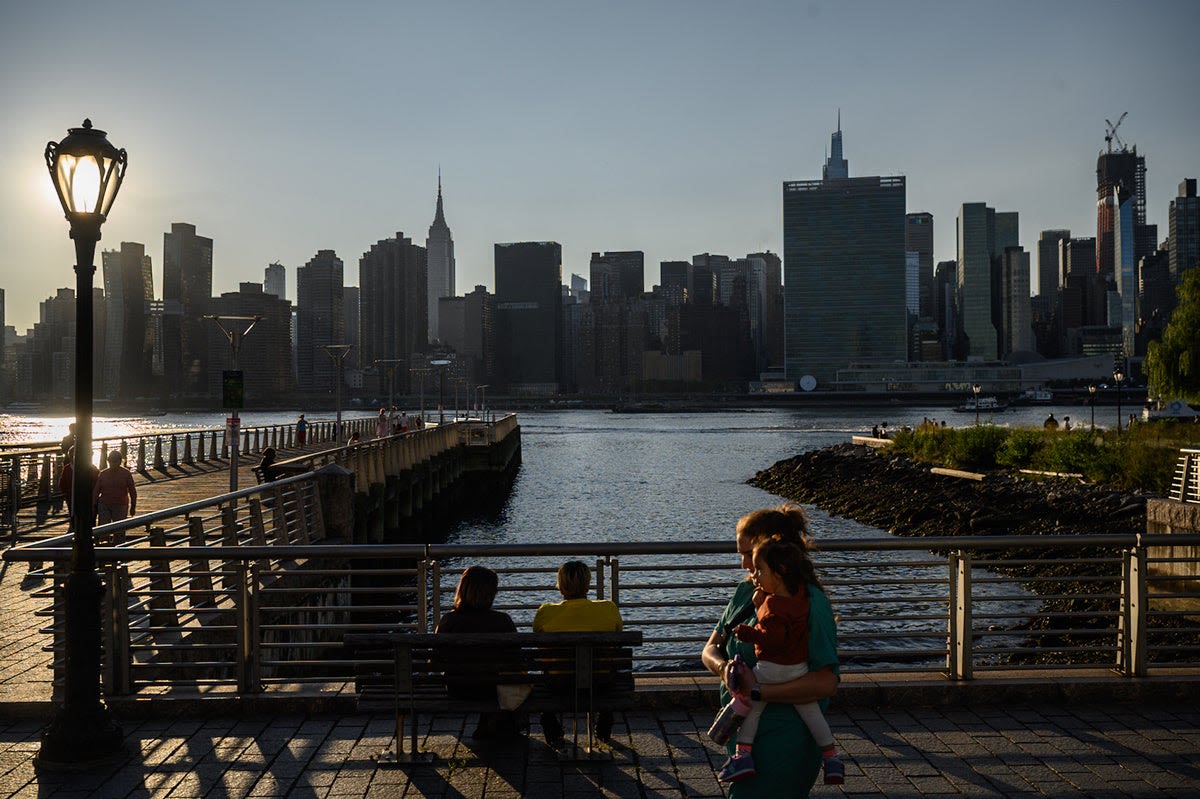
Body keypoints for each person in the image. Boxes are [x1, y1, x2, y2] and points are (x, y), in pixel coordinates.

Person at [701, 504, 840, 798]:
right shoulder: (746, 592)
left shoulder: (810, 604)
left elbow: (826, 682)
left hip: (784, 740)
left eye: (747, 555)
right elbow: (710, 648)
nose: (743, 565)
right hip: (745, 741)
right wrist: (723, 668)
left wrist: (757, 691)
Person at [723, 539, 845, 785]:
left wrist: (747, 631)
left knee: (752, 711)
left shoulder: (773, 605)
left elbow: (772, 638)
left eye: (760, 570)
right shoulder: (802, 596)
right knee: (812, 714)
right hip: (798, 670)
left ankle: (742, 755)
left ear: (778, 573)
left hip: (771, 670)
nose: (754, 575)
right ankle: (831, 757)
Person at [532, 560, 623, 744]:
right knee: (608, 663)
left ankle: (549, 721)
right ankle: (605, 718)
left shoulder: (545, 612)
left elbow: (539, 643)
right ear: (588, 584)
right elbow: (618, 640)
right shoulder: (608, 608)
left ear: (560, 585)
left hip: (557, 685)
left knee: (548, 666)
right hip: (600, 683)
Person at [435, 565, 521, 739]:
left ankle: (490, 723)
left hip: (458, 688)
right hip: (492, 689)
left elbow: (436, 660)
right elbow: (516, 658)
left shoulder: (449, 621)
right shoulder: (503, 621)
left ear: (462, 589)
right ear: (492, 592)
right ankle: (495, 722)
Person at [94, 450, 137, 525]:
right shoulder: (103, 474)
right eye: (110, 461)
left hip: (120, 505)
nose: (112, 463)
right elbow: (96, 491)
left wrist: (133, 506)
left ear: (120, 461)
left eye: (114, 461)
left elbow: (132, 491)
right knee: (103, 529)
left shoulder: (126, 474)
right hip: (104, 505)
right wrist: (94, 505)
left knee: (119, 530)